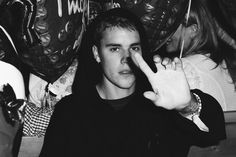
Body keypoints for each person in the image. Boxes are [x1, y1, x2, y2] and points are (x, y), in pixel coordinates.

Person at [39, 8, 225, 157]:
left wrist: (187, 105)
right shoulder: (71, 111)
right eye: (114, 49)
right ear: (97, 54)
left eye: (134, 48)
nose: (126, 58)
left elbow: (214, 130)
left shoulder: (161, 106)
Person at [164, 0, 236, 111]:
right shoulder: (223, 62)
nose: (165, 32)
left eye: (172, 27)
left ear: (193, 30)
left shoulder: (184, 67)